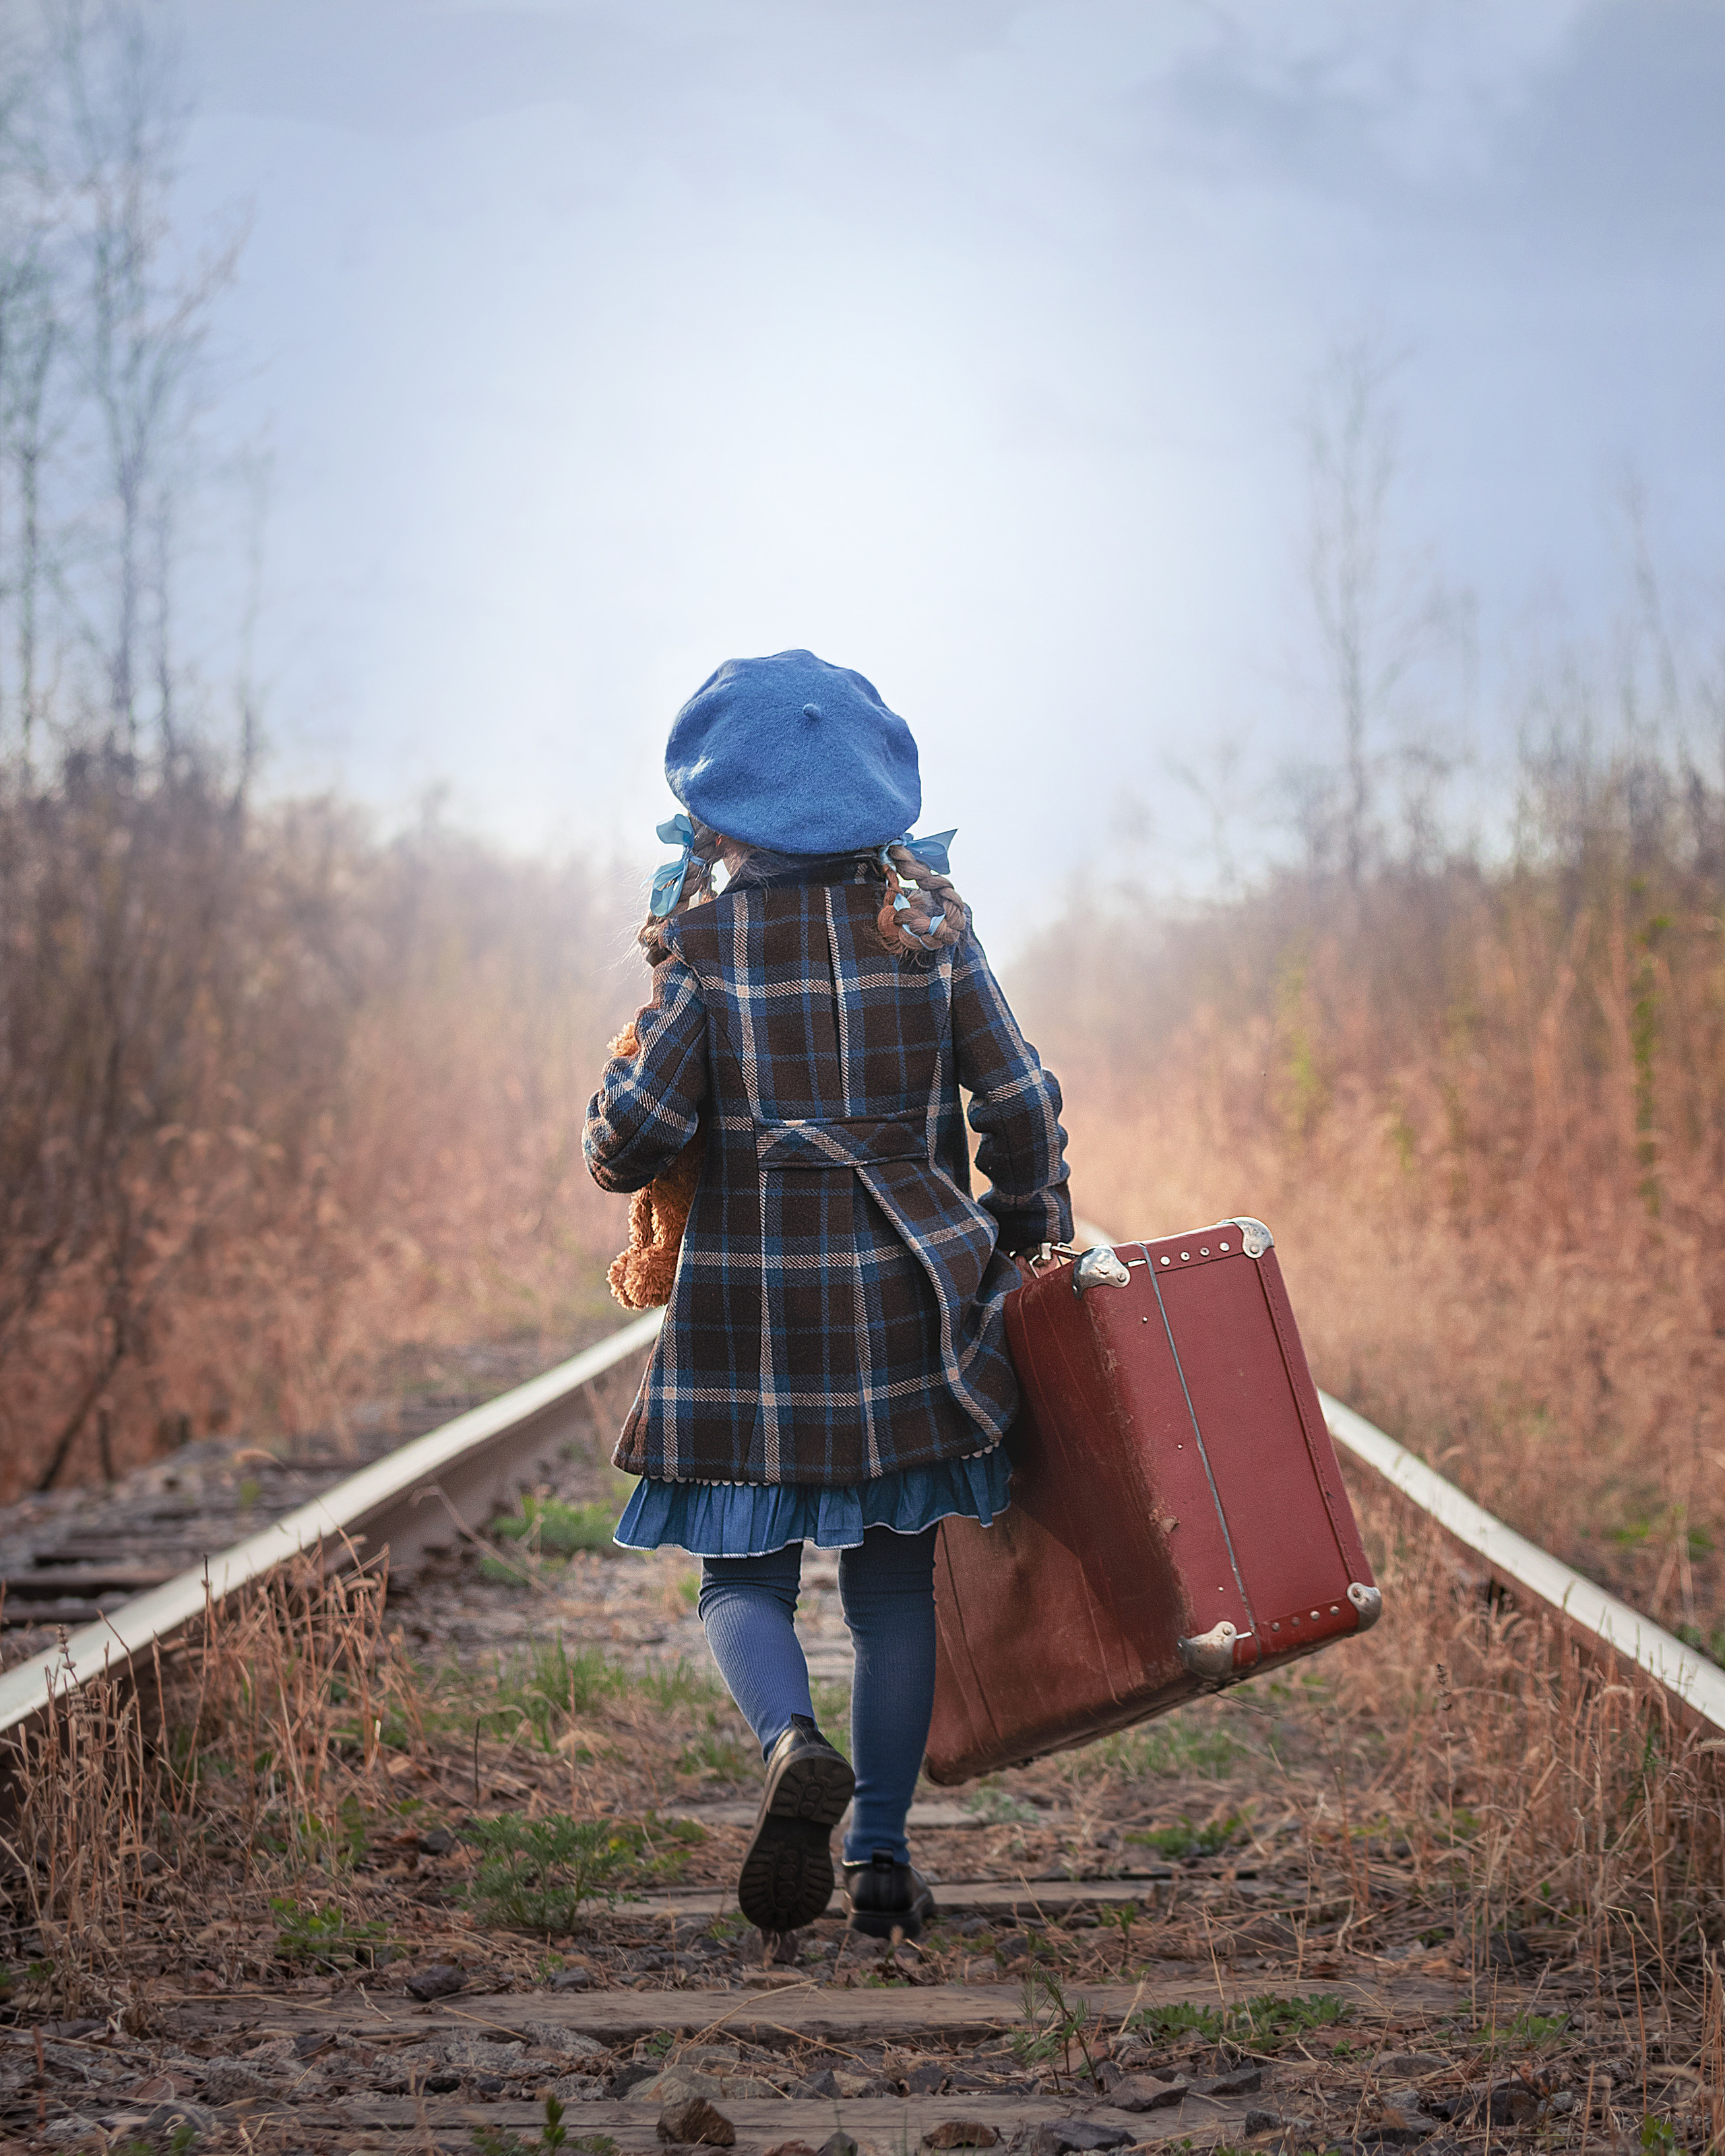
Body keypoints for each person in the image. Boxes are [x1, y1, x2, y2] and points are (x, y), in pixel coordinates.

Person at [583, 649, 1072, 1942]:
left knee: (740, 1580)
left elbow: (627, 1143)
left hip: (748, 1313)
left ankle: (788, 1739)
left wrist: (625, 1072)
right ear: (877, 804)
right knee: (895, 1594)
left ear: (719, 812)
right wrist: (1027, 1243)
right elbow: (1020, 1102)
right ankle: (883, 1858)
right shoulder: (932, 935)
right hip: (910, 1302)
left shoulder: (700, 946)